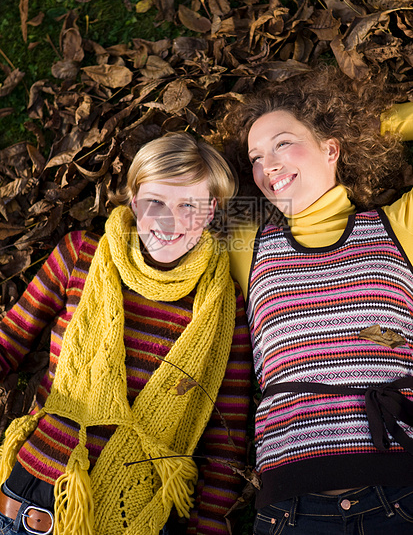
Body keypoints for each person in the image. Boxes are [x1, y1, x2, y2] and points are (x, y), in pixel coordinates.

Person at [0, 132, 251, 535]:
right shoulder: (80, 255)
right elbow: (9, 340)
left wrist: (209, 525)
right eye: (156, 202)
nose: (169, 221)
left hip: (140, 511)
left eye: (188, 204)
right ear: (133, 201)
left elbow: (227, 430)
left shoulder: (222, 305)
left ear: (211, 212)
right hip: (40, 496)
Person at [223, 65, 413, 534]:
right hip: (293, 506)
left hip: (403, 486)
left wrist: (375, 125)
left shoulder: (398, 226)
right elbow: (165, 199)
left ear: (331, 147)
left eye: (284, 143)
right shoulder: (248, 239)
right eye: (255, 157)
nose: (268, 165)